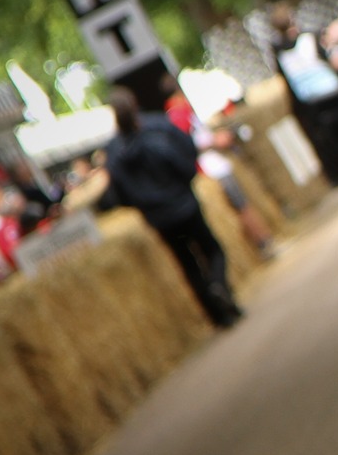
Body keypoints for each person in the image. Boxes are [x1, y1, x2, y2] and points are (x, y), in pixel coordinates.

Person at [104, 87, 242, 328]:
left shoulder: (114, 151)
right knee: (212, 250)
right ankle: (219, 286)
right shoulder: (158, 127)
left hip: (159, 218)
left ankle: (218, 317)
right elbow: (187, 152)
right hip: (184, 204)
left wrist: (144, 205)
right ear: (135, 104)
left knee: (188, 264)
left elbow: (118, 194)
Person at [162, 75, 274, 257]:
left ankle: (263, 242)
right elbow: (189, 144)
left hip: (214, 165)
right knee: (241, 205)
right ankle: (264, 242)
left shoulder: (180, 114)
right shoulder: (178, 116)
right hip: (211, 168)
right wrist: (215, 141)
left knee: (241, 204)